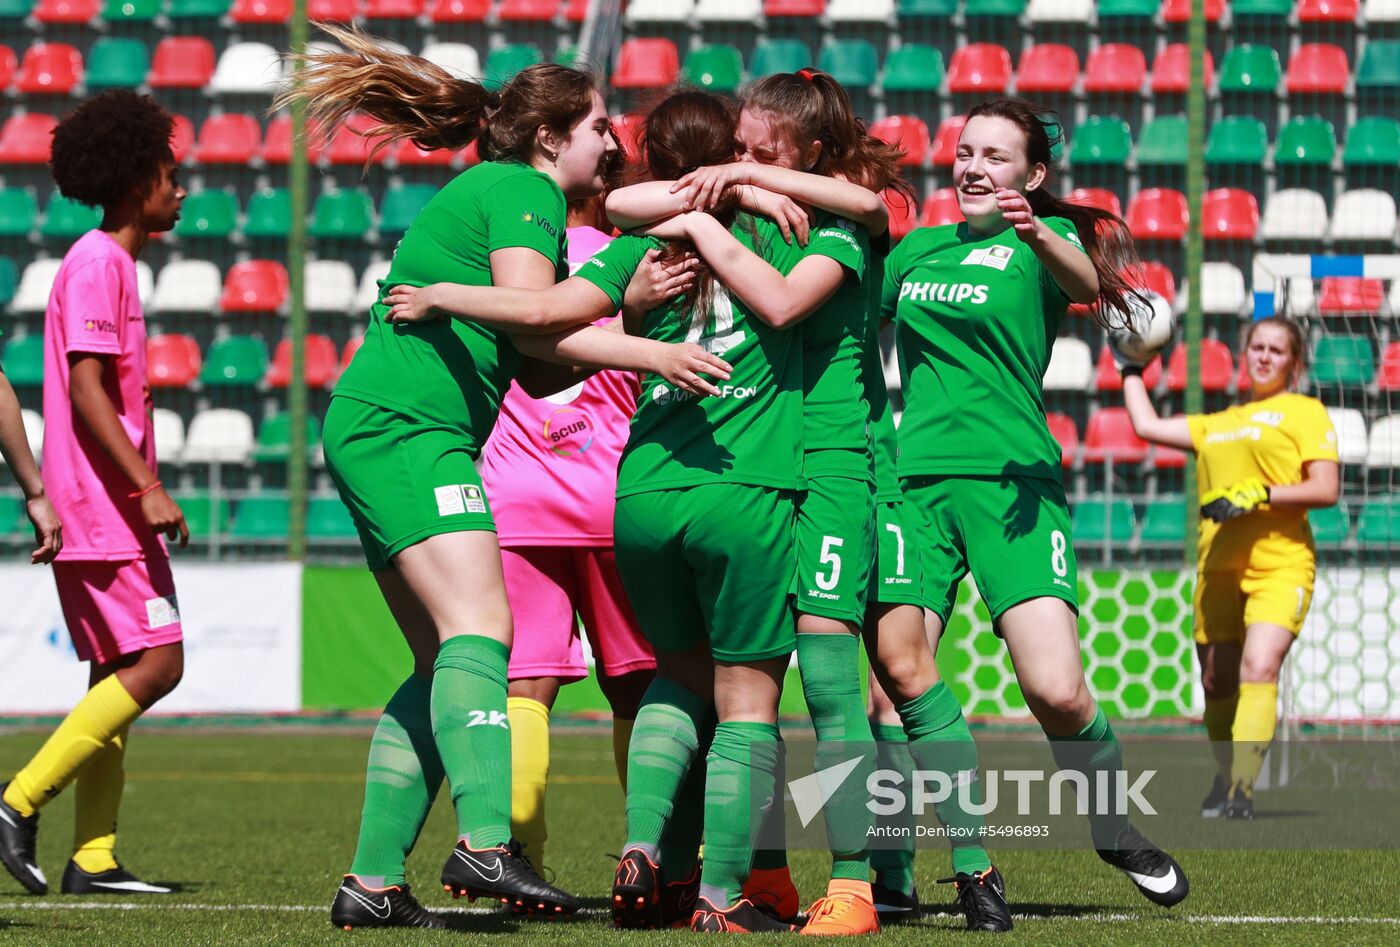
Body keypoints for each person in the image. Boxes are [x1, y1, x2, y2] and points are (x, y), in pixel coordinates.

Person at [384, 89, 869, 933]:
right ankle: (728, 892)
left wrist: (650, 282)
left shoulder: (638, 239)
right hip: (745, 482)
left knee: (664, 680)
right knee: (749, 701)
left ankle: (639, 847)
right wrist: (739, 203)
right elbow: (796, 291)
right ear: (729, 157)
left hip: (639, 490)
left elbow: (559, 317)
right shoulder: (800, 230)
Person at [278, 26, 728, 931]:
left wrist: (626, 314)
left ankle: (372, 880)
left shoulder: (507, 195)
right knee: (484, 625)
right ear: (550, 137)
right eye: (600, 125)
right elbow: (540, 313)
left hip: (390, 421)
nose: (614, 141)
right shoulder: (522, 188)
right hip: (412, 424)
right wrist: (644, 334)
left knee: (445, 654)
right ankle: (487, 841)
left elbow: (538, 355)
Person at [880, 98, 1190, 908]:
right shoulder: (913, 251)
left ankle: (1115, 827)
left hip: (1015, 488)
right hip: (912, 486)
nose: (974, 166)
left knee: (1057, 690)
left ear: (1034, 175)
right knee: (890, 687)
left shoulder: (1037, 252)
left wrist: (1037, 230)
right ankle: (893, 874)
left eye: (996, 155)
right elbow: (846, 329)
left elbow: (1089, 285)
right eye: (965, 151)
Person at [0, 90, 188, 899]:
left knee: (116, 668)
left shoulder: (111, 262)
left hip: (103, 501)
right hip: (103, 505)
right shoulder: (98, 261)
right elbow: (85, 388)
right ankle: (15, 800)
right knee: (160, 662)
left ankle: (95, 856)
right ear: (135, 176)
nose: (182, 188)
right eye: (171, 174)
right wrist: (146, 486)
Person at [479, 192, 657, 875]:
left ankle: (515, 854)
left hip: (517, 499)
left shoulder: (497, 257)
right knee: (639, 686)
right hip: (610, 491)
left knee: (524, 688)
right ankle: (656, 852)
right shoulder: (627, 254)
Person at [1119, 316, 1339, 820]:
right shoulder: (1216, 423)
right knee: (1217, 684)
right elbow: (1146, 426)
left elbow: (1325, 488)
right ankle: (1226, 777)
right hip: (1217, 566)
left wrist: (1262, 495)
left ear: (1295, 363)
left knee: (1260, 667)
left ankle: (1242, 790)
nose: (1264, 356)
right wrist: (1128, 367)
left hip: (1280, 564)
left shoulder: (1305, 413)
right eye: (1256, 347)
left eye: (1276, 350)